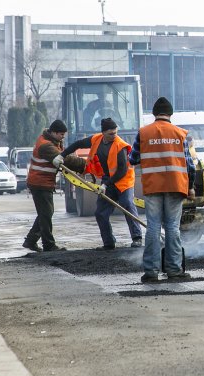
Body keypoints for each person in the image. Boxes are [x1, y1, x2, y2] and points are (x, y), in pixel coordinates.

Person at [129, 97, 196, 283]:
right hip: (176, 186)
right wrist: (191, 187)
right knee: (173, 227)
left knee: (153, 227)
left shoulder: (143, 133)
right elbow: (190, 165)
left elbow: (132, 159)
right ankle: (174, 270)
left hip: (153, 186)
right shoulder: (180, 133)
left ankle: (151, 271)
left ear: (154, 113)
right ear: (171, 114)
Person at [62, 117, 143, 250]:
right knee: (100, 213)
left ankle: (137, 238)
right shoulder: (96, 139)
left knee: (127, 204)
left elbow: (122, 170)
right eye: (111, 133)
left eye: (116, 132)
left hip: (124, 181)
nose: (114, 135)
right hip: (108, 181)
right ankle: (109, 242)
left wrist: (106, 184)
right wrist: (62, 155)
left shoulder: (120, 145)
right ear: (103, 133)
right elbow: (77, 144)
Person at [23, 120, 70, 252]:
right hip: (39, 183)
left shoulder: (51, 141)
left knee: (45, 213)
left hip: (43, 182)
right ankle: (48, 245)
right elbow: (64, 159)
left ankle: (31, 240)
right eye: (61, 134)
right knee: (46, 214)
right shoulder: (46, 145)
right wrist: (83, 165)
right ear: (54, 132)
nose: (63, 137)